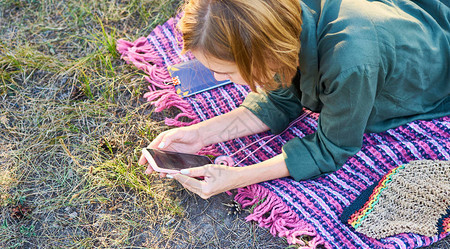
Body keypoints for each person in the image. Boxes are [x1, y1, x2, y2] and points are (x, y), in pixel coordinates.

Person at [139, 0, 450, 199]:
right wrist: (200, 134)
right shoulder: (278, 21)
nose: (221, 80)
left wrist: (236, 177)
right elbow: (278, 98)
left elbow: (331, 148)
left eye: (226, 71)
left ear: (263, 53)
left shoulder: (349, 61)